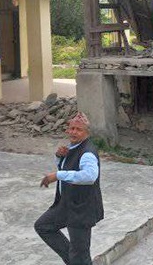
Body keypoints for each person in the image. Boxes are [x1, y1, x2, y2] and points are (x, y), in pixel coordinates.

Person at [34, 112, 104, 265]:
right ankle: (73, 261)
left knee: (81, 255)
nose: (73, 132)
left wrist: (58, 175)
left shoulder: (87, 153)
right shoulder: (73, 147)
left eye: (78, 129)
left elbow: (89, 176)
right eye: (71, 128)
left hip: (81, 209)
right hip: (66, 205)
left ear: (87, 132)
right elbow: (69, 167)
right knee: (43, 226)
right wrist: (59, 157)